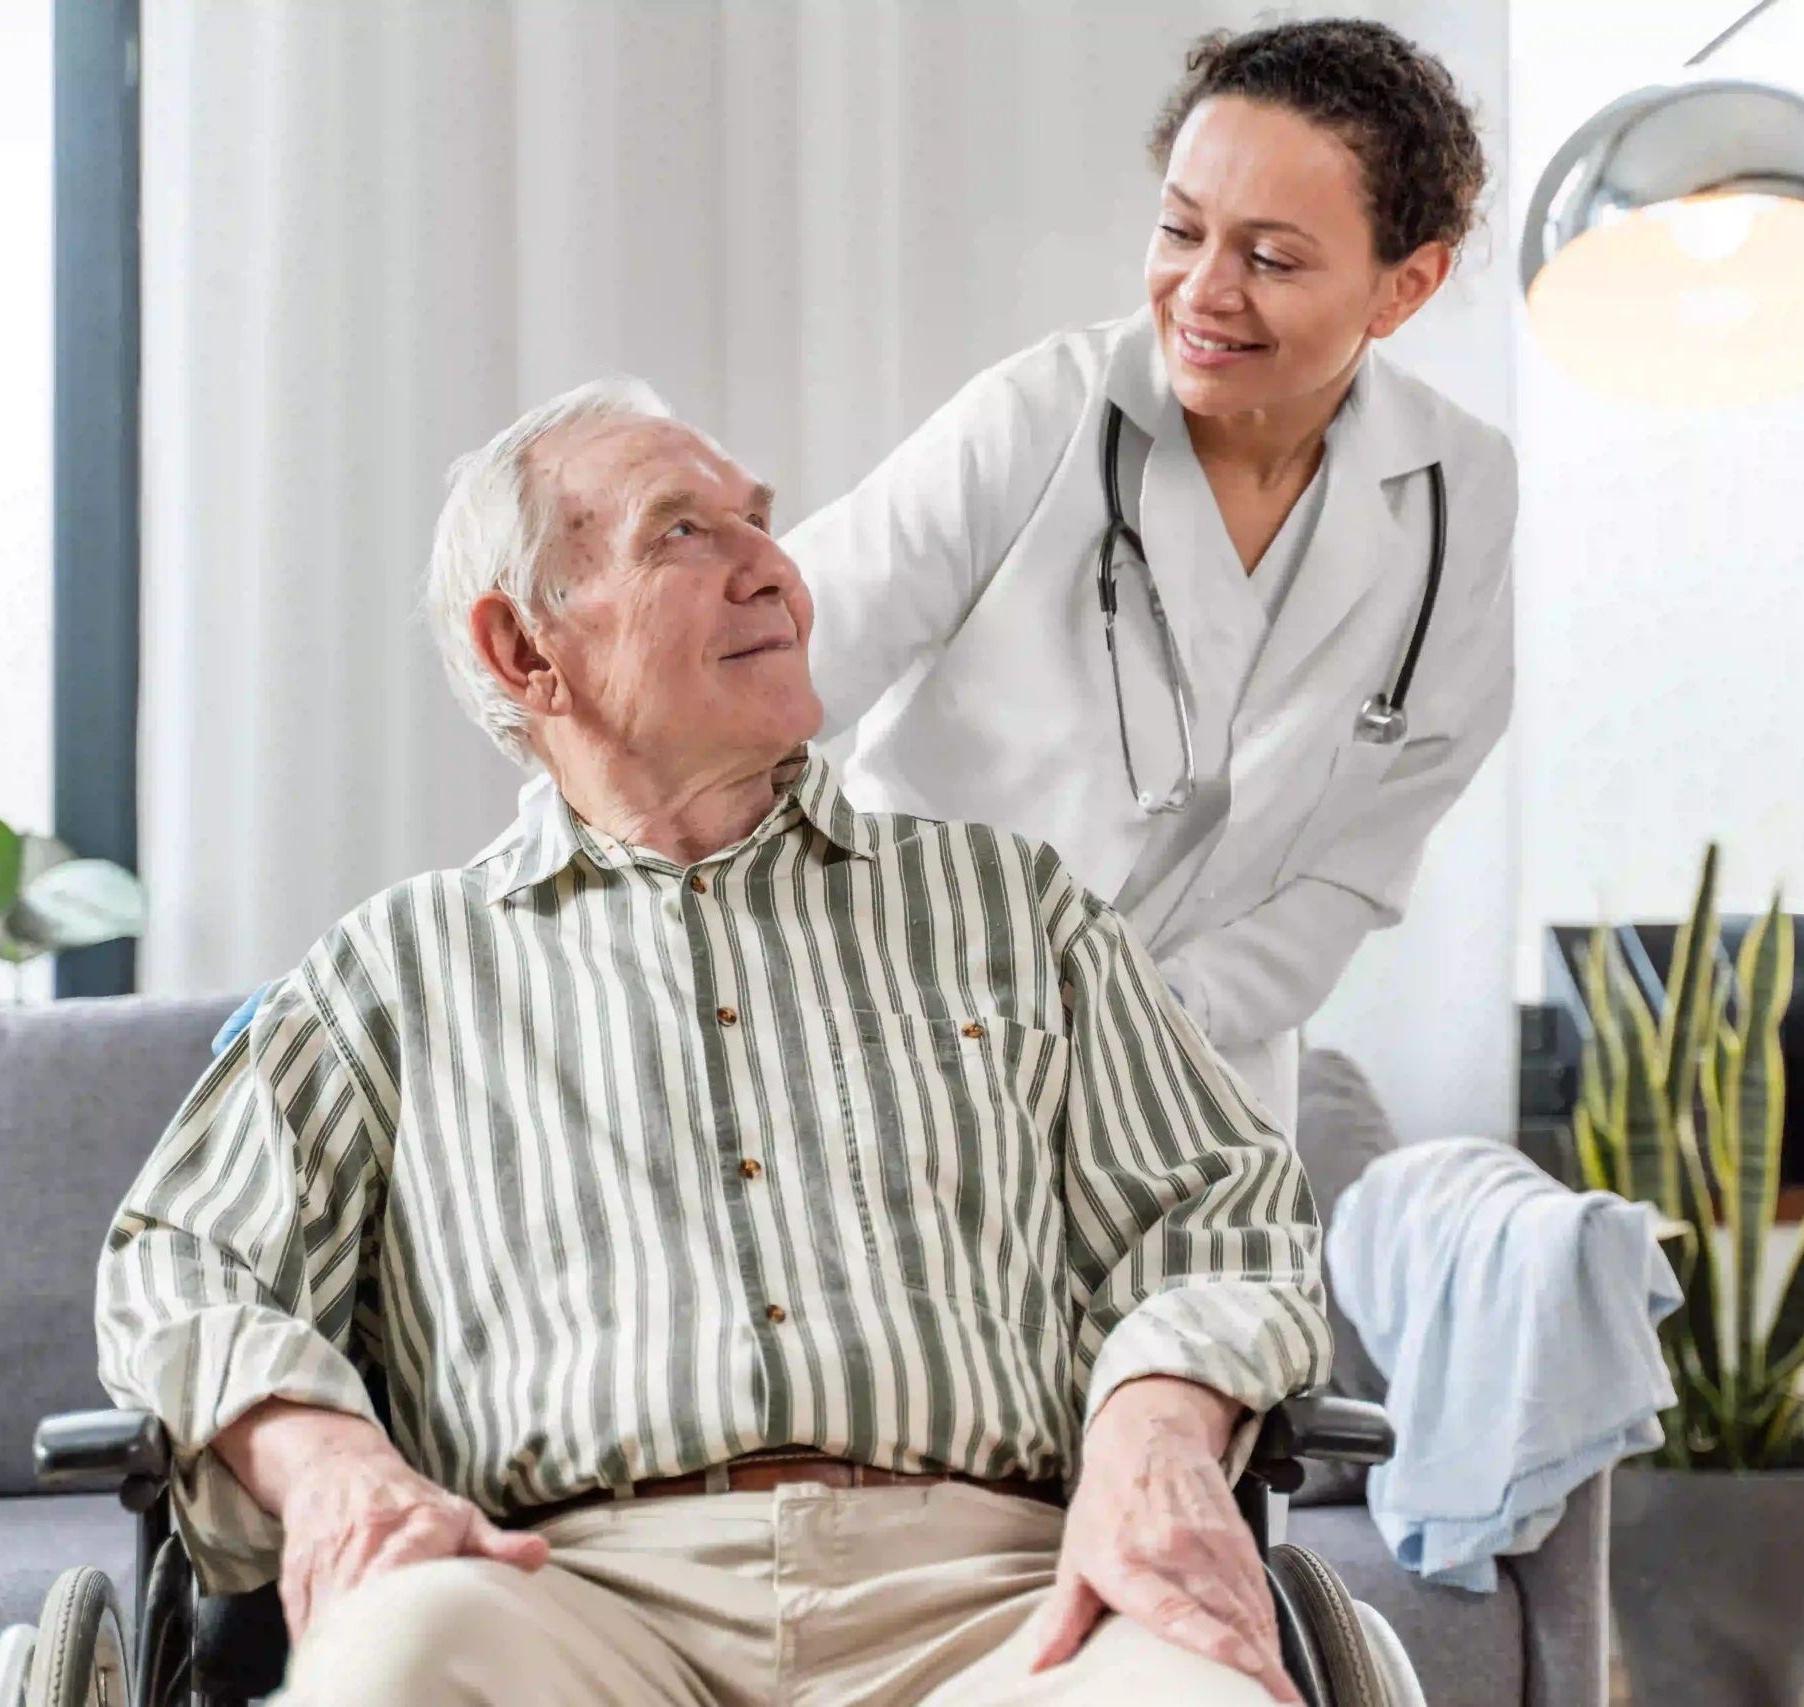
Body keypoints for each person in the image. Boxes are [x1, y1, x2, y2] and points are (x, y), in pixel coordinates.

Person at [96, 379, 1350, 1707]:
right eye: (681, 532)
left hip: (1001, 1592)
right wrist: (331, 1462)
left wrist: (1154, 1434)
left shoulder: (1012, 909)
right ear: (527, 648)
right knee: (388, 1671)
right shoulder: (392, 972)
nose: (772, 567)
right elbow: (183, 1260)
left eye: (761, 519)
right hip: (559, 1593)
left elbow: (1221, 1214)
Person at [783, 19, 1515, 1131]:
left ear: (1403, 288)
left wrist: (1157, 1007)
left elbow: (1358, 863)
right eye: (1181, 230)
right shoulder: (1039, 419)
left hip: (1198, 1100)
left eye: (1270, 259)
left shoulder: (1455, 492)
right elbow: (755, 679)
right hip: (921, 1062)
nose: (1202, 291)